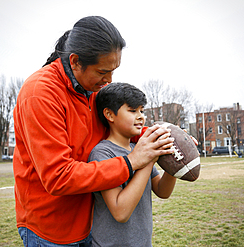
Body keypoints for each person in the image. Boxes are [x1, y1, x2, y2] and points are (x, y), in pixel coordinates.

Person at [13, 16, 175, 246]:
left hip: (89, 223)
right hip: (51, 230)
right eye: (102, 72)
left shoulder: (93, 89)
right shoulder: (40, 93)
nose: (109, 80)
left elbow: (122, 124)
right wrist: (132, 161)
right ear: (76, 61)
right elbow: (58, 176)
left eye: (113, 70)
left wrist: (166, 137)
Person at [88, 83, 177, 247]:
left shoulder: (138, 149)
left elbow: (162, 191)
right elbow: (120, 212)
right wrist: (149, 159)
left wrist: (175, 164)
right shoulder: (102, 153)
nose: (141, 116)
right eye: (132, 110)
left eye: (142, 111)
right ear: (109, 114)